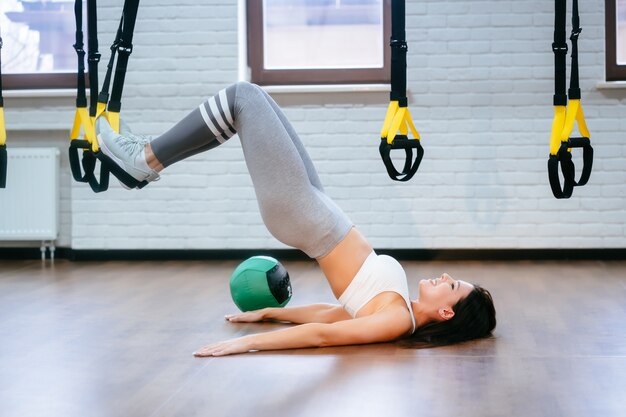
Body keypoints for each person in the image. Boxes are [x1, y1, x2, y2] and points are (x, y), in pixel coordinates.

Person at [95, 81, 496, 357]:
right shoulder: (398, 310)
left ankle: (144, 158)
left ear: (447, 312)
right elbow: (329, 314)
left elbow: (324, 336)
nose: (445, 278)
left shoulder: (393, 321)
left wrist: (244, 345)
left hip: (306, 216)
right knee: (257, 101)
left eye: (453, 286)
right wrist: (269, 314)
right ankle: (145, 157)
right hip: (315, 207)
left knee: (243, 97)